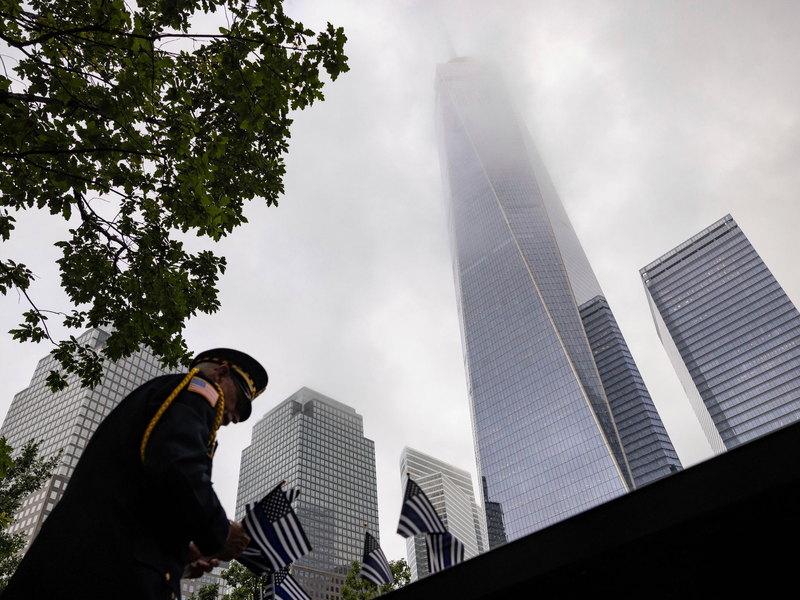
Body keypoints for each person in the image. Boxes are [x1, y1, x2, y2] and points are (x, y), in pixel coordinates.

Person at [2, 348, 268, 600]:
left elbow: (144, 487)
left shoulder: (169, 397)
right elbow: (177, 463)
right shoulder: (198, 391)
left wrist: (180, 550)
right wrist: (220, 532)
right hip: (104, 574)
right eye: (241, 400)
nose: (236, 416)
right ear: (219, 374)